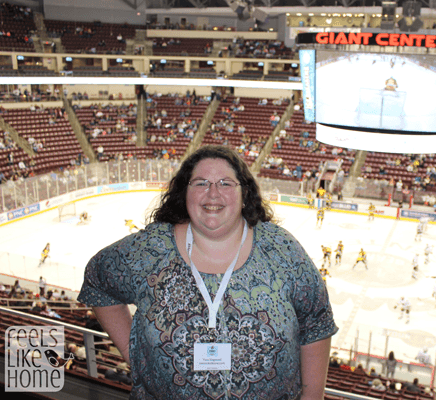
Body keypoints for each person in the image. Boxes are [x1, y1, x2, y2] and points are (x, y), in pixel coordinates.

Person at [78, 145, 338, 399]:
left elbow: (316, 321)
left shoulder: (281, 249)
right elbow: (97, 281)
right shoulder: (151, 250)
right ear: (184, 192)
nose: (213, 193)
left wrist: (313, 394)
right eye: (201, 183)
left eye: (225, 183)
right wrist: (137, 357)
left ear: (244, 193)